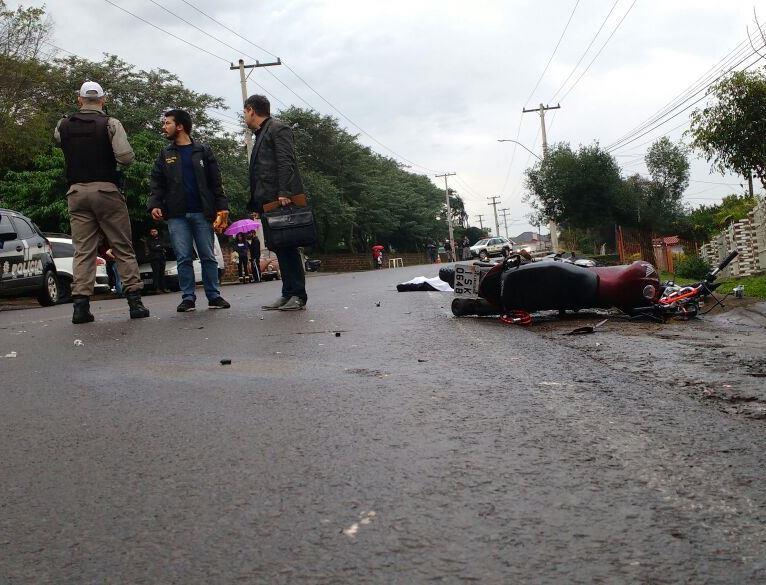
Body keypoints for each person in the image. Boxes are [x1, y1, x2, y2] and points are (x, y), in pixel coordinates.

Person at [54, 81, 150, 324]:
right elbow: (126, 157)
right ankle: (135, 302)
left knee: (83, 250)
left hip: (76, 192)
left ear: (79, 99)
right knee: (121, 246)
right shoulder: (110, 124)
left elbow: (58, 139)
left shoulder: (63, 124)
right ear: (103, 100)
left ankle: (80, 307)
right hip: (106, 190)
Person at [148, 108, 231, 312]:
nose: (163, 126)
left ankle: (214, 296)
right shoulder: (165, 153)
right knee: (183, 257)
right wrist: (155, 204)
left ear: (180, 126)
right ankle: (188, 298)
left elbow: (215, 183)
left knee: (208, 256)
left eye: (167, 123)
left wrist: (222, 209)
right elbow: (156, 182)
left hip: (203, 213)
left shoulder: (203, 150)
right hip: (176, 216)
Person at [244, 94, 308, 311]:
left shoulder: (277, 128)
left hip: (281, 199)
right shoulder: (263, 132)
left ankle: (298, 295)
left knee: (288, 246)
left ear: (251, 110)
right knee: (279, 247)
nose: (245, 116)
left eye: (245, 112)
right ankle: (287, 293)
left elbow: (285, 161)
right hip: (268, 201)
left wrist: (284, 191)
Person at [145, 227, 168, 293]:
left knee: (162, 274)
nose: (154, 233)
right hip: (154, 259)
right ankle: (156, 288)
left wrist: (159, 246)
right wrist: (160, 247)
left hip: (162, 258)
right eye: (152, 231)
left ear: (157, 232)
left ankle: (164, 288)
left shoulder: (160, 238)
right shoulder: (149, 240)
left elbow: (164, 245)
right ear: (150, 233)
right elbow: (152, 247)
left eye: (155, 231)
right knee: (156, 274)